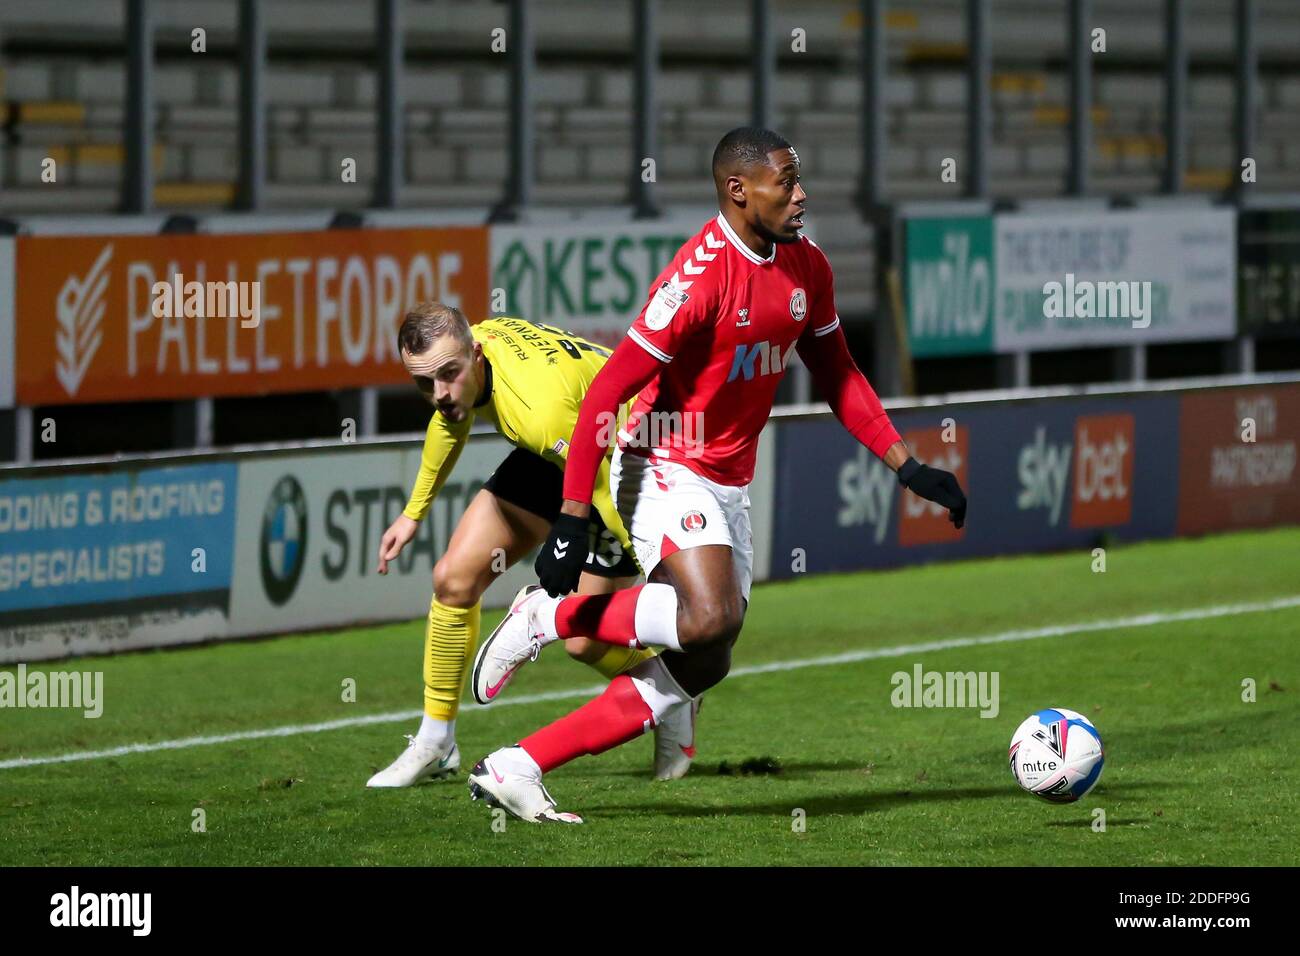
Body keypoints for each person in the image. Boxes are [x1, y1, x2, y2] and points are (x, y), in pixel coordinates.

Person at [466, 127, 967, 823]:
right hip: (662, 458)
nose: (801, 194)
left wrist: (907, 466)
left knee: (705, 661)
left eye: (799, 179)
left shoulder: (807, 268)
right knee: (710, 616)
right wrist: (575, 515)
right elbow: (607, 393)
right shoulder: (697, 279)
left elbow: (839, 373)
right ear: (739, 190)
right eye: (785, 182)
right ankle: (548, 615)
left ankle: (518, 765)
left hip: (729, 481)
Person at [365, 303, 701, 789]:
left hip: (625, 462)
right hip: (559, 450)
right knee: (453, 581)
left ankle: (673, 693)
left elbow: (602, 485)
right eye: (425, 382)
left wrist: (652, 563)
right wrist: (413, 512)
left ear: (476, 354)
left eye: (449, 375)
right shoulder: (469, 355)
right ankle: (436, 741)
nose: (439, 393)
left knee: (585, 642)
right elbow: (450, 419)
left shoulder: (536, 408)